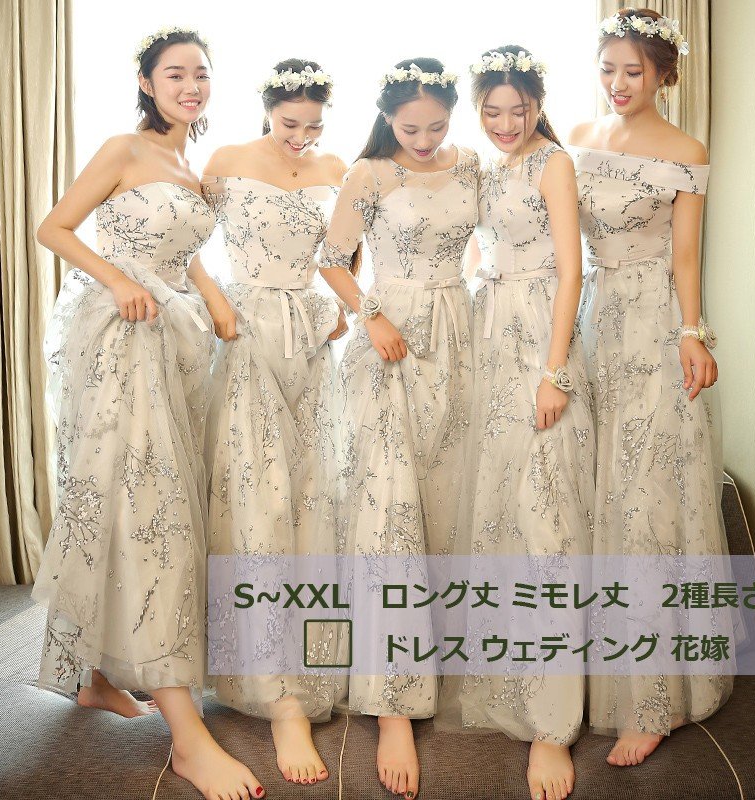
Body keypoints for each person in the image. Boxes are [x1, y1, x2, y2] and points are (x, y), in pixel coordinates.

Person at [33, 28, 264, 800]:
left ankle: (97, 676)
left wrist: (216, 295)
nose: (191, 86)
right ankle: (189, 741)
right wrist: (117, 280)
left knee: (131, 503)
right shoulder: (124, 148)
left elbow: (179, 247)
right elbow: (54, 227)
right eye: (175, 74)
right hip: (124, 334)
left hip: (175, 336)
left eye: (202, 74)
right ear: (146, 81)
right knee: (148, 508)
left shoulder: (187, 165)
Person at [568, 8, 731, 768]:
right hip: (586, 319)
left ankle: (653, 697)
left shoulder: (686, 151)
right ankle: (584, 673)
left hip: (651, 326)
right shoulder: (578, 136)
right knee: (586, 488)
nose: (617, 83)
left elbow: (686, 257)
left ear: (664, 74)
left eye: (633, 71)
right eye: (608, 68)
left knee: (645, 496)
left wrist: (693, 332)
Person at [318, 58, 478, 800]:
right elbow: (331, 259)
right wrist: (372, 315)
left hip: (462, 335)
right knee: (390, 511)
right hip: (391, 341)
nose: (424, 139)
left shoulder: (471, 163)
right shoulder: (369, 174)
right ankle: (390, 705)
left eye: (436, 126)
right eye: (410, 128)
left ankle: (447, 658)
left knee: (447, 501)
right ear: (387, 118)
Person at [447, 44, 594, 800]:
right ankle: (510, 680)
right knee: (503, 513)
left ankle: (553, 724)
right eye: (492, 112)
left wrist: (554, 371)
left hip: (541, 337)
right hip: (493, 333)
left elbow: (572, 270)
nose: (506, 123)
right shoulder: (489, 166)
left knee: (547, 520)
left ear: (539, 104)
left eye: (519, 110)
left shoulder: (554, 164)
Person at [200, 58, 347, 787]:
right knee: (255, 504)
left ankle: (315, 666)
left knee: (316, 503)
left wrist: (346, 305)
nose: (301, 137)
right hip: (246, 332)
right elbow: (180, 243)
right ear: (267, 109)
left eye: (313, 125)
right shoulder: (226, 162)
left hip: (312, 342)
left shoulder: (337, 167)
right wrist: (216, 301)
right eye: (291, 124)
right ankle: (277, 696)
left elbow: (343, 256)